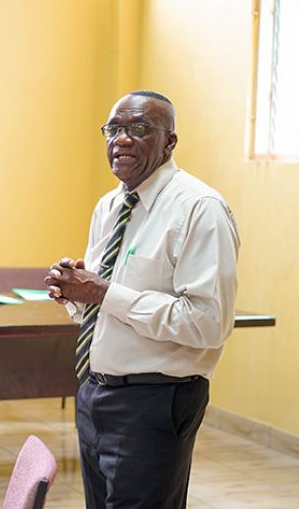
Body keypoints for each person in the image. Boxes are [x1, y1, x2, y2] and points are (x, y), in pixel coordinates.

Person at [44, 90, 239, 508]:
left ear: (170, 142)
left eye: (139, 129)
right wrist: (74, 293)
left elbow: (208, 323)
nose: (122, 140)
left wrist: (104, 291)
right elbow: (104, 307)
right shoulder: (109, 205)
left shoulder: (199, 208)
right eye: (113, 129)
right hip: (96, 392)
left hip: (156, 400)